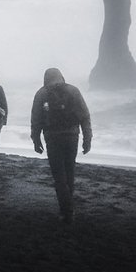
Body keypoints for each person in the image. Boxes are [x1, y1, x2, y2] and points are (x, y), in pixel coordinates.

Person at [30, 68, 92, 223]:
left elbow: (36, 119)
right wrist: (87, 138)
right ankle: (68, 209)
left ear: (46, 79)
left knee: (59, 175)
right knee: (70, 171)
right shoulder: (73, 91)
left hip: (52, 137)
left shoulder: (41, 93)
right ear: (61, 77)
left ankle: (66, 211)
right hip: (72, 136)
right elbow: (84, 116)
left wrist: (36, 140)